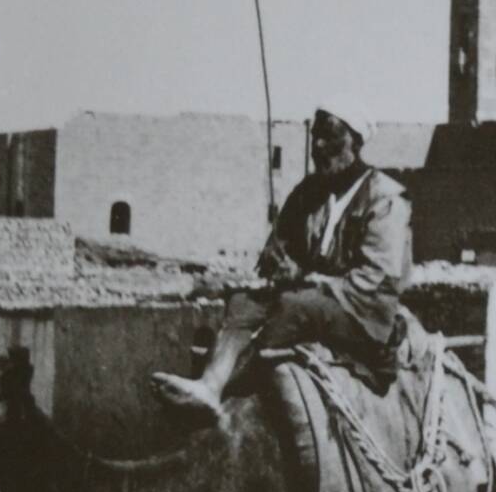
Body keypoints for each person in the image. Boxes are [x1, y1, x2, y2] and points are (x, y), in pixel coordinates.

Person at [152, 109, 412, 415]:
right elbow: (277, 248)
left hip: (362, 312)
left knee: (294, 306)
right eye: (315, 135)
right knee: (243, 302)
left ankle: (238, 389)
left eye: (329, 136)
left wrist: (308, 277)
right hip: (308, 296)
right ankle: (210, 385)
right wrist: (280, 262)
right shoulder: (308, 192)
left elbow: (376, 277)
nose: (317, 145)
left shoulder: (385, 198)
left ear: (353, 142)